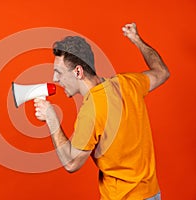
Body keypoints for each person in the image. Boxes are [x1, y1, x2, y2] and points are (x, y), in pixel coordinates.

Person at [34, 23, 169, 200]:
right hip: (152, 194)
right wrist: (137, 39)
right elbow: (162, 72)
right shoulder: (126, 83)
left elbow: (71, 163)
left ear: (78, 71)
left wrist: (51, 119)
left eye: (58, 72)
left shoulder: (91, 111)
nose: (55, 79)